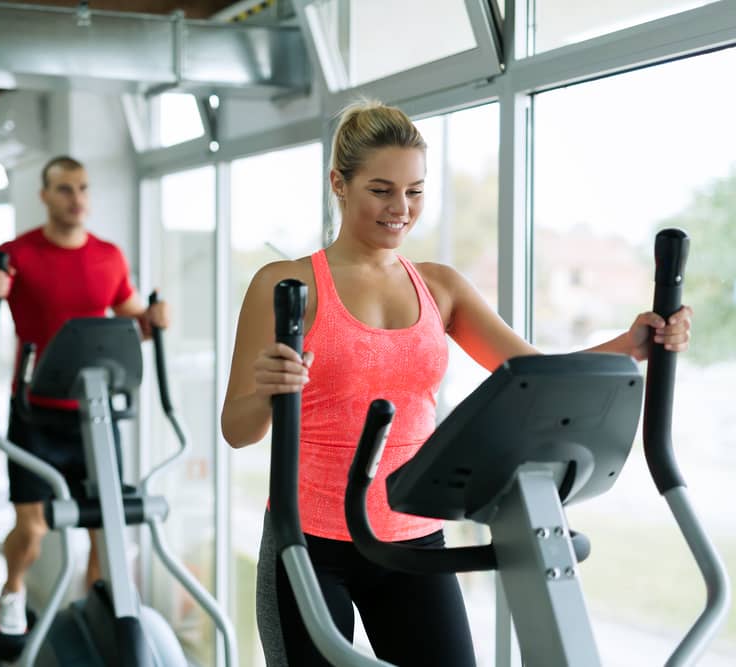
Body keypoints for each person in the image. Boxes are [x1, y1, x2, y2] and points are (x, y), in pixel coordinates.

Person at [220, 99, 694, 666]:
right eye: (381, 189)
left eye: (415, 191)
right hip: (309, 544)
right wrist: (273, 392)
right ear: (338, 184)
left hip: (414, 538)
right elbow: (237, 430)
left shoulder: (440, 287)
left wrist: (633, 343)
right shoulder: (287, 283)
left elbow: (533, 374)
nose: (401, 208)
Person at [0, 156, 170, 637]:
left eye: (82, 188)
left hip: (95, 414)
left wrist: (153, 320)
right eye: (64, 189)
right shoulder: (15, 253)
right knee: (33, 530)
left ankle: (95, 617)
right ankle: (12, 593)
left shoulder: (109, 256)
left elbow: (131, 321)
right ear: (45, 196)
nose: (76, 198)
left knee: (106, 527)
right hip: (35, 412)